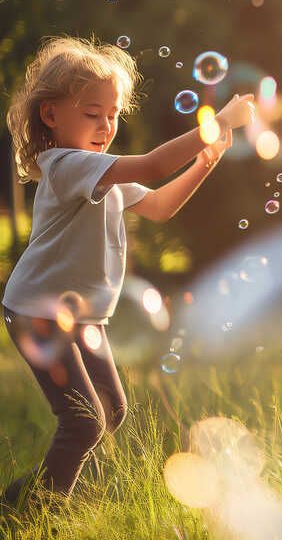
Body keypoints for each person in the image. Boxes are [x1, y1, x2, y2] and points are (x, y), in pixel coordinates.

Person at [2, 36, 254, 506]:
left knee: (110, 411)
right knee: (83, 421)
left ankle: (21, 500)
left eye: (112, 114)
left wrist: (204, 161)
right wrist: (217, 122)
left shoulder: (103, 173)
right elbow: (156, 163)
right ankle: (41, 510)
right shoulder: (67, 165)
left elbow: (159, 205)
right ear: (51, 115)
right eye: (91, 113)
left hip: (79, 316)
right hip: (37, 309)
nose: (105, 125)